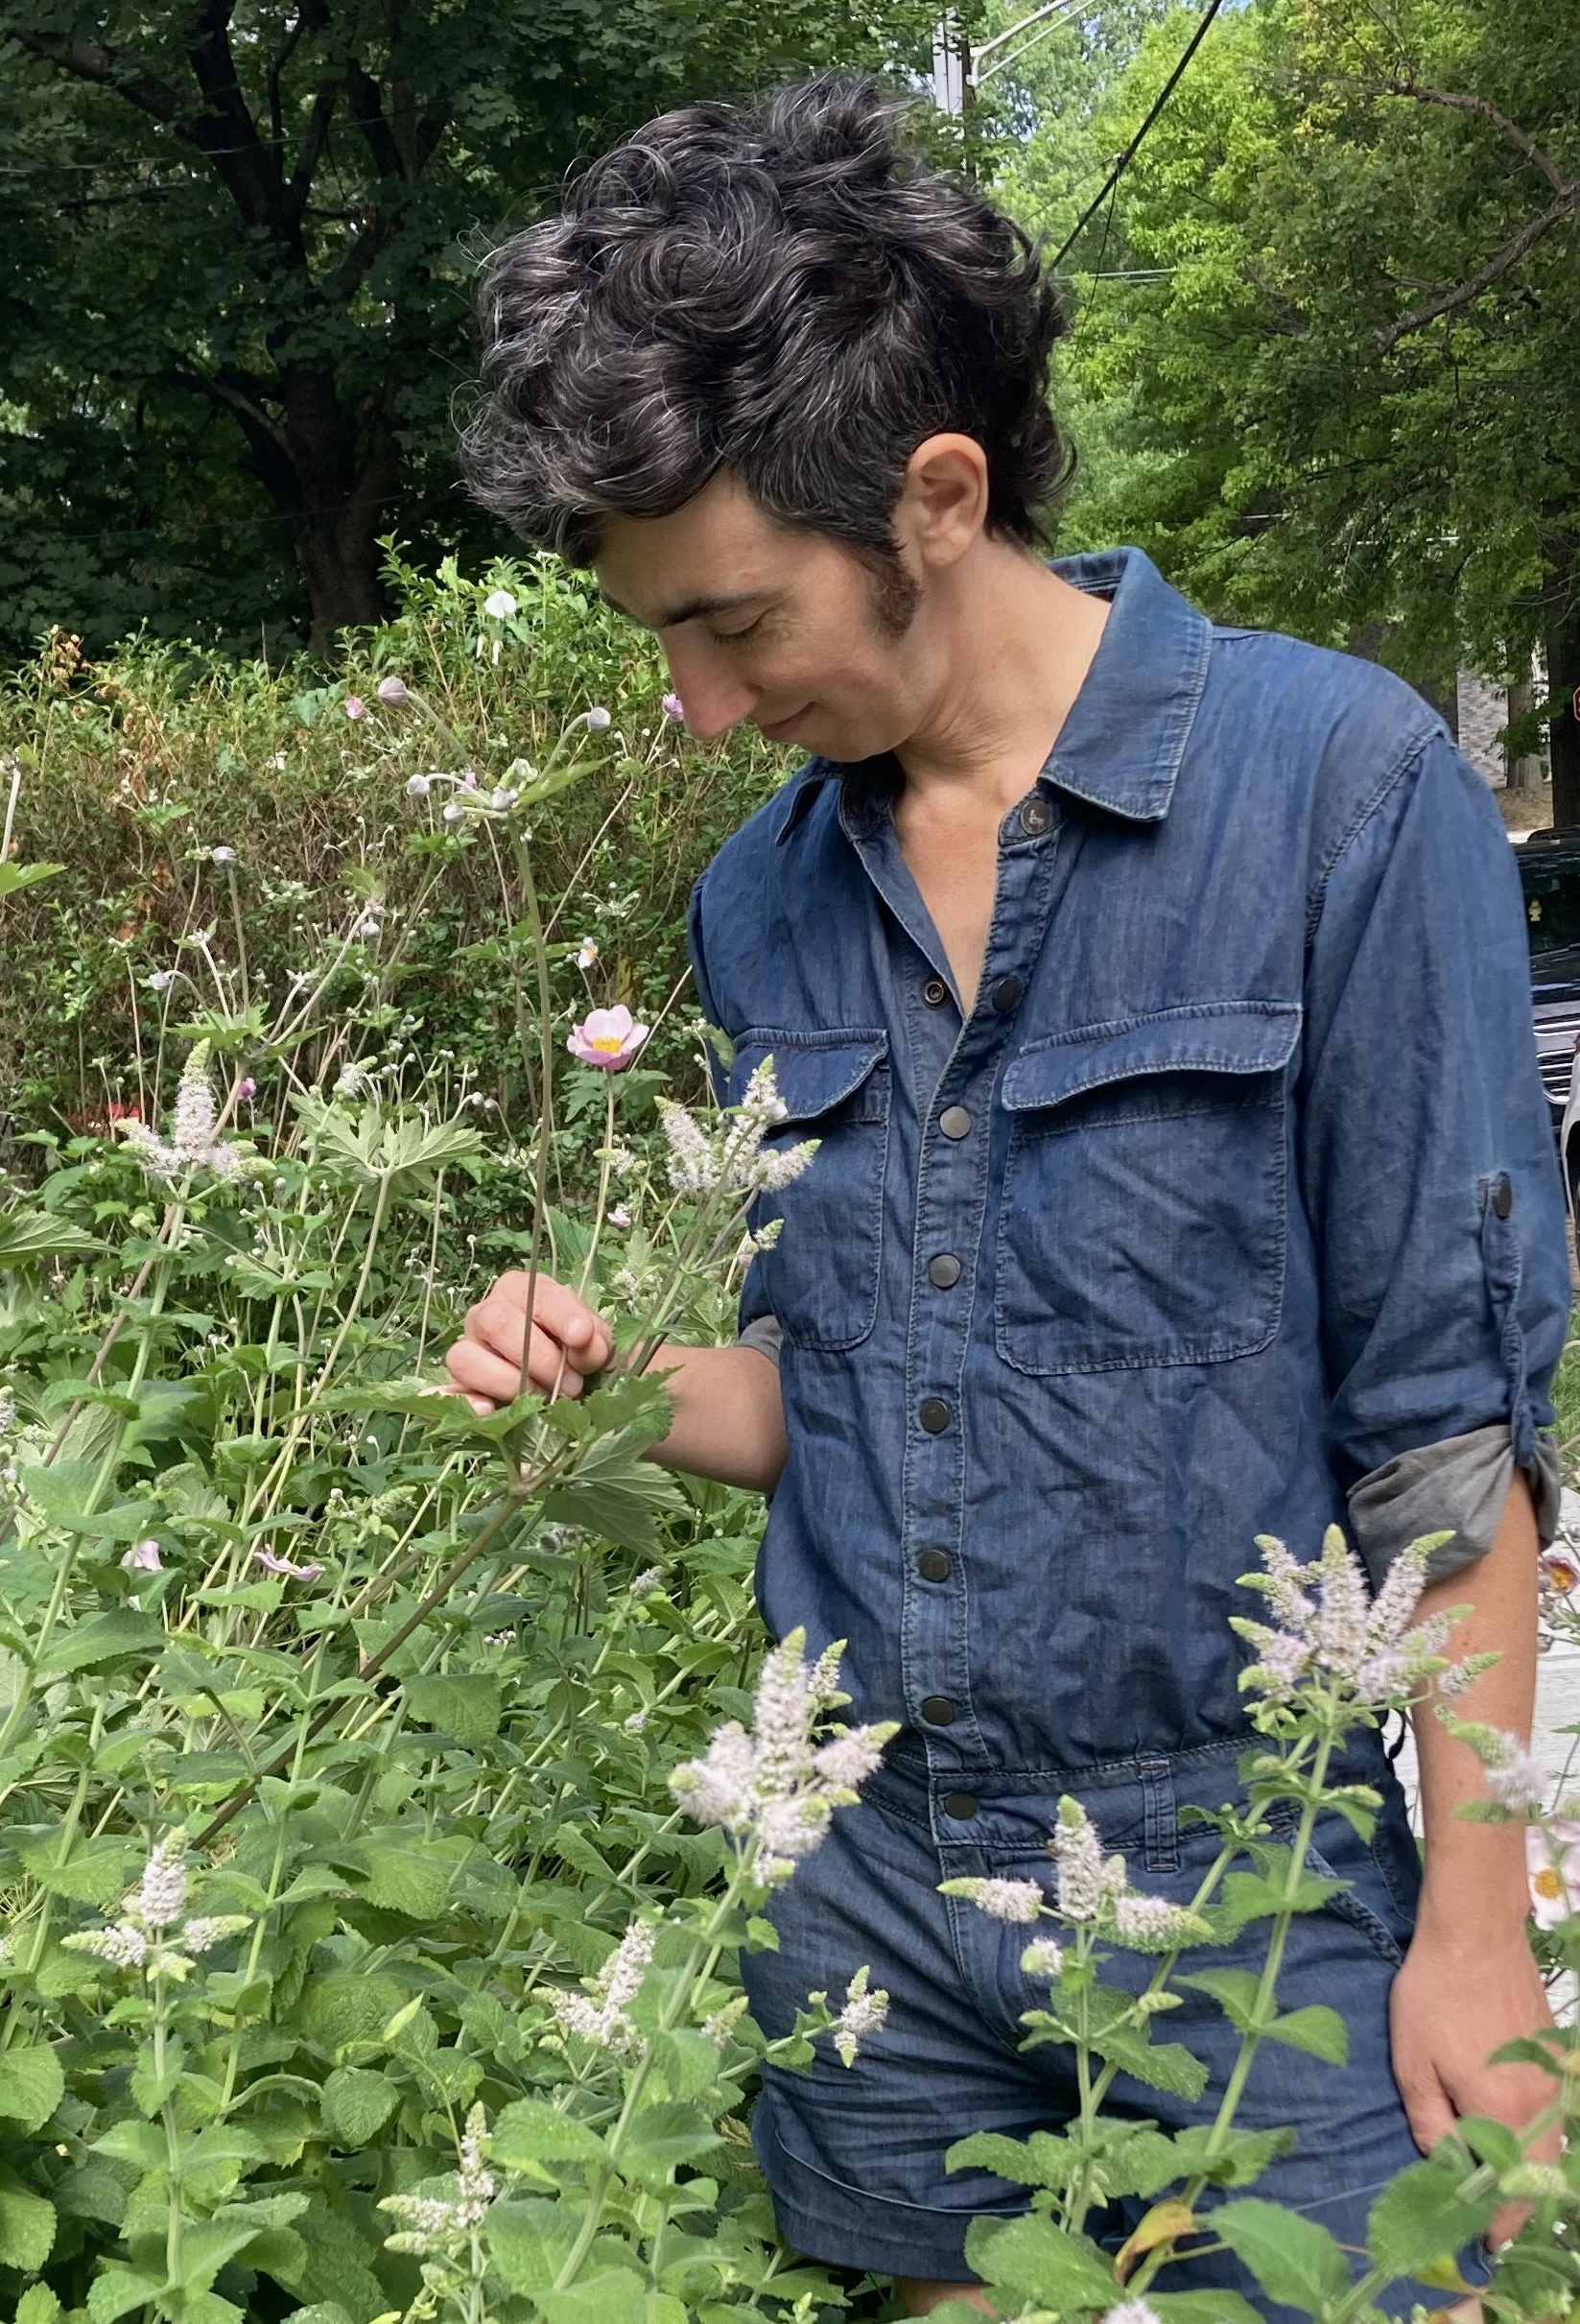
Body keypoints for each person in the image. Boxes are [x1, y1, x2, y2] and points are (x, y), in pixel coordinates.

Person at [445, 74, 1570, 2317]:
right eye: (657, 634)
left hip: (1252, 1896)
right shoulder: (761, 898)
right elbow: (860, 1385)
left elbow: (1448, 1443)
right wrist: (608, 1375)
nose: (694, 705)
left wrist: (1480, 1932)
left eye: (734, 621)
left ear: (938, 498)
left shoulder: (1342, 791)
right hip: (862, 1892)